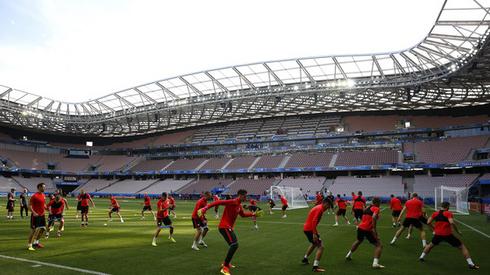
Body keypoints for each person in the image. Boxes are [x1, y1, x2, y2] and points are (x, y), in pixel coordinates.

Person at [197, 189, 262, 275]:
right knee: (234, 244)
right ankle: (225, 267)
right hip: (224, 226)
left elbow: (242, 215)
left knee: (234, 245)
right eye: (245, 196)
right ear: (240, 195)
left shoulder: (239, 205)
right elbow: (218, 202)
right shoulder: (233, 201)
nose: (246, 198)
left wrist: (253, 214)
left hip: (228, 227)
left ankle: (225, 263)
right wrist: (205, 208)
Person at [418, 202, 479, 269]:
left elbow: (428, 222)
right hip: (447, 235)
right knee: (462, 247)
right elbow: (451, 222)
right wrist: (457, 231)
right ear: (447, 207)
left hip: (438, 235)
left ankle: (421, 257)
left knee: (430, 245)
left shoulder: (435, 213)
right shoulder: (448, 213)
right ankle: (471, 264)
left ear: (441, 206)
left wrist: (434, 228)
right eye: (449, 206)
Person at [345, 197, 384, 269]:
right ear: (377, 203)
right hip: (367, 229)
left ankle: (348, 255)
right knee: (379, 245)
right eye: (379, 203)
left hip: (360, 227)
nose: (380, 205)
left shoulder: (367, 208)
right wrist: (374, 230)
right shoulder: (376, 208)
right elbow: (374, 217)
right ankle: (375, 263)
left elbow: (364, 219)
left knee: (358, 241)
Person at [302, 197, 332, 272]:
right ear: (325, 203)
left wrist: (315, 232)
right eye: (328, 205)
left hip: (307, 229)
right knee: (321, 247)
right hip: (310, 230)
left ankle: (305, 258)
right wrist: (314, 233)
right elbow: (314, 221)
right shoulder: (320, 209)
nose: (328, 207)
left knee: (314, 244)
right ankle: (315, 267)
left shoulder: (319, 207)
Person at [28, 183, 47, 251]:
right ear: (39, 187)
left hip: (42, 215)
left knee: (43, 229)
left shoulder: (43, 195)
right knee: (33, 230)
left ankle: (36, 242)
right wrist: (34, 212)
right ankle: (30, 245)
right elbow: (29, 206)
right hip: (36, 216)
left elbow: (44, 204)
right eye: (43, 187)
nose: (44, 188)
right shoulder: (34, 196)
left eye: (44, 187)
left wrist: (47, 209)